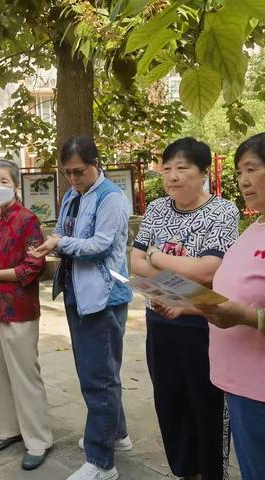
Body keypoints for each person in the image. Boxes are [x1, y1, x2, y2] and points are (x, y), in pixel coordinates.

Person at [130, 137, 240, 480]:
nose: (173, 176)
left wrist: (158, 257)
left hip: (203, 324)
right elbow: (134, 261)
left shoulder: (223, 211)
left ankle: (211, 473)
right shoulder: (157, 209)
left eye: (183, 168)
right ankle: (184, 471)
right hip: (160, 322)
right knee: (170, 402)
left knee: (207, 407)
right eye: (167, 168)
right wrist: (179, 270)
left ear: (204, 172)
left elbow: (210, 270)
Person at [29, 135, 133, 480]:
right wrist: (49, 244)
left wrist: (61, 243)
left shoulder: (111, 198)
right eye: (68, 173)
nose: (73, 179)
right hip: (76, 291)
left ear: (95, 164)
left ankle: (102, 461)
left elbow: (101, 246)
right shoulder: (73, 196)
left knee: (98, 378)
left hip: (104, 295)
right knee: (99, 371)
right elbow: (62, 232)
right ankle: (115, 433)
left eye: (79, 172)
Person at [0, 160, 53, 471]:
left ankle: (38, 440)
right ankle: (9, 429)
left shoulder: (28, 220)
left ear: (16, 184)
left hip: (17, 309)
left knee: (24, 375)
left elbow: (33, 267)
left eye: (3, 180)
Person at [196, 133, 265, 480]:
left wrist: (246, 317)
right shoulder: (253, 227)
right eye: (239, 172)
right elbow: (233, 293)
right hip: (236, 383)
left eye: (251, 169)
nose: (243, 181)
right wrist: (187, 306)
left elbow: (246, 308)